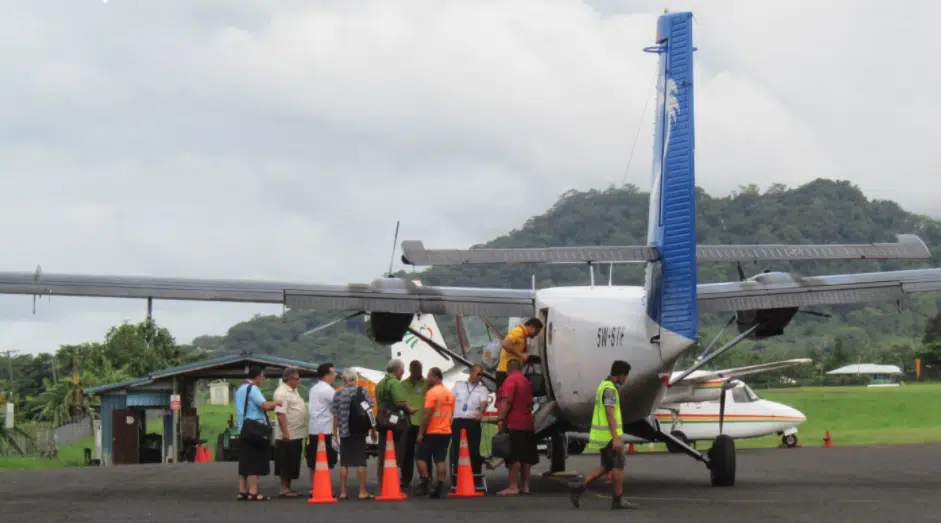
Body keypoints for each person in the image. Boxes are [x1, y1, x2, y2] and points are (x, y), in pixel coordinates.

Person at [569, 360, 639, 510]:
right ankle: (618, 500)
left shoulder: (603, 385)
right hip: (609, 436)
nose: (626, 379)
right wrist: (616, 438)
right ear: (620, 375)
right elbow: (610, 412)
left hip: (603, 435)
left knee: (607, 466)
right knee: (618, 465)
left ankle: (579, 487)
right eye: (625, 376)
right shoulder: (610, 390)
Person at [234, 365, 281, 501]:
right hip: (255, 428)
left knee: (244, 460)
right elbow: (264, 405)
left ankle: (242, 491)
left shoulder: (240, 389)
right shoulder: (253, 389)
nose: (263, 378)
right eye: (262, 376)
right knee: (255, 459)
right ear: (256, 377)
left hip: (243, 428)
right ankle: (254, 492)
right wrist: (276, 402)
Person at [331, 368, 377, 500]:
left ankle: (343, 492)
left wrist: (335, 434)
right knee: (360, 461)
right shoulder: (361, 391)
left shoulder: (338, 394)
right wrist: (373, 429)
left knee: (344, 463)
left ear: (344, 380)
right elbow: (369, 411)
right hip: (359, 431)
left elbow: (335, 416)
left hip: (344, 432)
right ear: (355, 379)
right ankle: (362, 491)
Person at [495, 358, 538, 496]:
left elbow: (507, 400)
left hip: (514, 423)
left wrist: (500, 418)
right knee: (526, 457)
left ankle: (512, 486)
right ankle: (525, 486)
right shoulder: (526, 381)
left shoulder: (510, 380)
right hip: (528, 423)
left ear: (509, 369)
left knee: (514, 457)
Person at [415, 367, 455, 498]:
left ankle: (425, 482)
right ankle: (440, 486)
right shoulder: (449, 393)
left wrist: (421, 432)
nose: (427, 379)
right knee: (440, 460)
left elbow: (427, 414)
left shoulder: (432, 393)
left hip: (432, 431)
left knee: (420, 457)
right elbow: (451, 413)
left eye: (429, 376)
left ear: (436, 377)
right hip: (446, 431)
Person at [375, 358, 415, 487]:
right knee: (397, 453)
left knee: (382, 454)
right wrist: (410, 409)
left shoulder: (380, 383)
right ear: (399, 371)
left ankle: (382, 484)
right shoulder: (395, 383)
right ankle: (393, 484)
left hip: (381, 421)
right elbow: (399, 402)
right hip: (395, 422)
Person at [449, 364, 490, 485]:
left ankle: (475, 477)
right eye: (478, 374)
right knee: (457, 449)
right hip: (458, 420)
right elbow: (451, 400)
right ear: (471, 373)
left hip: (472, 421)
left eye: (481, 375)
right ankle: (458, 478)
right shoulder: (459, 385)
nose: (479, 377)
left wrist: (480, 412)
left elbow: (483, 402)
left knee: (473, 450)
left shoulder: (482, 389)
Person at [273, 366, 307, 497]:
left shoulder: (294, 391)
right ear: (290, 379)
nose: (299, 381)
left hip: (297, 433)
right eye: (297, 379)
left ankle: (288, 487)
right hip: (288, 434)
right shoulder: (282, 392)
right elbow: (281, 414)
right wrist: (285, 432)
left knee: (292, 462)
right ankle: (283, 488)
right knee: (285, 461)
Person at [306, 362, 337, 495]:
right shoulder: (328, 390)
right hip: (326, 429)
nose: (335, 375)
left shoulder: (313, 389)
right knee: (326, 461)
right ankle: (324, 487)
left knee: (313, 461)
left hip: (313, 429)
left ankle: (314, 487)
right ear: (326, 375)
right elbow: (338, 406)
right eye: (333, 373)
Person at [398, 360, 427, 489]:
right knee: (407, 453)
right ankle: (405, 479)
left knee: (424, 453)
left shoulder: (427, 383)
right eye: (414, 368)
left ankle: (426, 478)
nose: (417, 371)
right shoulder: (403, 384)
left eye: (419, 368)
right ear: (410, 370)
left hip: (422, 423)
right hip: (408, 423)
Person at [495, 318, 542, 390]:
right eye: (537, 332)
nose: (536, 335)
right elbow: (505, 344)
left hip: (510, 372)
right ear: (533, 328)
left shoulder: (522, 335)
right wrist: (521, 355)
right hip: (505, 372)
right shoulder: (518, 331)